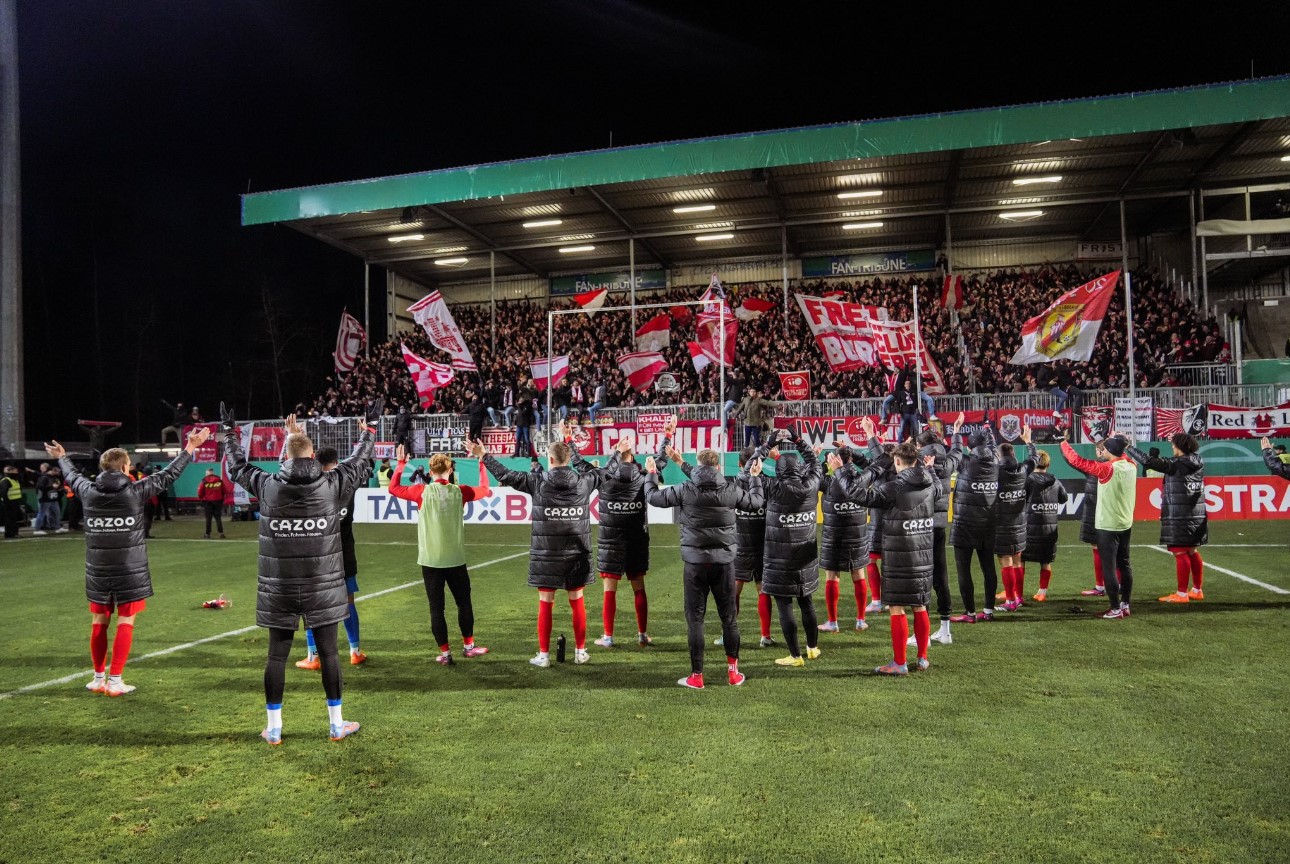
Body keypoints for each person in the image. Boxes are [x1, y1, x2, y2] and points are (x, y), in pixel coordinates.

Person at [223, 399, 377, 744]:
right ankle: (336, 724)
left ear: (285, 456)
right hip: (322, 586)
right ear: (313, 457)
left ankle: (274, 728)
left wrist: (230, 433)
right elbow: (360, 459)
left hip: (279, 589)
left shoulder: (267, 485)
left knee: (276, 656)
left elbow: (235, 466)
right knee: (330, 654)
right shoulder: (332, 484)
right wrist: (370, 428)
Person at [49, 427, 208, 697]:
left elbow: (72, 476)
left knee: (98, 621)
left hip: (98, 569)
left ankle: (98, 678)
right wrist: (190, 448)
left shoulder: (88, 491)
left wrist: (62, 457)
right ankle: (115, 681)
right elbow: (168, 475)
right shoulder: (135, 491)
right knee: (126, 620)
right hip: (129, 569)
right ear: (125, 467)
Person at [644, 445, 764, 689]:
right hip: (724, 564)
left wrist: (651, 474)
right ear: (719, 466)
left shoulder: (687, 489)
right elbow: (756, 502)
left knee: (696, 620)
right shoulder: (731, 489)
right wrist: (755, 478)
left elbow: (653, 497)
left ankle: (697, 676)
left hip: (695, 565)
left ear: (699, 466)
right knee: (729, 620)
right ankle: (733, 673)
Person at [481, 434, 599, 668]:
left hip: (546, 555)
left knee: (546, 601)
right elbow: (604, 472)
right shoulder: (584, 481)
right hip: (577, 554)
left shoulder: (537, 481)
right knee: (577, 600)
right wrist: (614, 453)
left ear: (551, 460)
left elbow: (505, 475)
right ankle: (580, 652)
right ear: (567, 459)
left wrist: (484, 455)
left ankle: (544, 655)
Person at [833, 441, 941, 675]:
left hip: (899, 556)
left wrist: (839, 471)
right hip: (923, 555)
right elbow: (940, 490)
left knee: (897, 609)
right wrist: (930, 469)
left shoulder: (894, 488)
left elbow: (855, 494)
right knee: (920, 606)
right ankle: (922, 658)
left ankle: (900, 663)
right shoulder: (930, 482)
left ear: (898, 462)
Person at [388, 443, 492, 665]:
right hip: (455, 558)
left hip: (430, 560)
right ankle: (469, 646)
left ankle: (445, 654)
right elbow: (486, 489)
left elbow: (393, 489)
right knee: (464, 603)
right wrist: (481, 462)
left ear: (430, 470)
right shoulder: (460, 491)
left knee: (437, 608)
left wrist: (400, 465)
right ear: (450, 469)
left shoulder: (421, 491)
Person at [575, 419, 667, 649]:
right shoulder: (643, 473)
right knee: (639, 586)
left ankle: (608, 636)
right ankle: (642, 635)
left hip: (610, 541)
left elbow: (578, 463)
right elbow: (662, 461)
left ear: (616, 453)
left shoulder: (603, 475)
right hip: (636, 539)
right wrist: (667, 434)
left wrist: (569, 439)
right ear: (633, 455)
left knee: (610, 590)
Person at [293, 436, 372, 668]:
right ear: (337, 462)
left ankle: (313, 656)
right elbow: (365, 462)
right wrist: (367, 434)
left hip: (317, 556)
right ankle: (355, 651)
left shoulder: (309, 484)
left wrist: (292, 439)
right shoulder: (348, 481)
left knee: (312, 606)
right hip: (344, 553)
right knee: (348, 603)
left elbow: (288, 472)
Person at [755, 426, 824, 668]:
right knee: (806, 601)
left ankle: (795, 656)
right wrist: (798, 439)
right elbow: (815, 462)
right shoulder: (812, 484)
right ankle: (813, 648)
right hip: (806, 556)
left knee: (785, 605)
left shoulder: (773, 486)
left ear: (779, 470)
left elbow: (748, 470)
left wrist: (768, 444)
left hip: (779, 559)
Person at [1059, 433, 1137, 619]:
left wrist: (1062, 442)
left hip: (1108, 525)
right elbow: (1122, 453)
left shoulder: (1107, 469)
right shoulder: (1131, 465)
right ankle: (1125, 604)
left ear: (1109, 450)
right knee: (1124, 564)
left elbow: (1076, 460)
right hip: (1125, 523)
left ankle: (1115, 609)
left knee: (1108, 567)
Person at [1129, 433, 1208, 603]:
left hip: (1179, 515)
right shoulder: (1197, 461)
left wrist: (1128, 447)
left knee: (1180, 552)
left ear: (1180, 446)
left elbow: (1148, 461)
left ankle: (1181, 594)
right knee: (1192, 551)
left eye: (1174, 445)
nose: (1172, 447)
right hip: (1196, 514)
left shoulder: (1176, 465)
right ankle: (1197, 590)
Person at [817, 445, 874, 634]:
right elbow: (873, 464)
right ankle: (860, 620)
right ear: (851, 459)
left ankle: (833, 622)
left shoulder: (828, 481)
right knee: (859, 574)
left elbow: (813, 475)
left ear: (834, 460)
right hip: (857, 534)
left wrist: (825, 464)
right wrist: (852, 455)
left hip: (834, 536)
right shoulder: (861, 478)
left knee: (832, 576)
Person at [947, 418, 1000, 623]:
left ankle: (969, 613)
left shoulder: (965, 463)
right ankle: (988, 611)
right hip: (988, 524)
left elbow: (956, 450)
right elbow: (993, 447)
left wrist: (956, 430)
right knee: (989, 568)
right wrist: (988, 431)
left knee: (964, 569)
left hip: (964, 525)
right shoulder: (995, 462)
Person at [917, 416, 964, 644]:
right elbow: (957, 451)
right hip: (940, 525)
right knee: (941, 576)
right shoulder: (948, 462)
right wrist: (956, 432)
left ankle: (922, 633)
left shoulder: (918, 461)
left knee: (922, 577)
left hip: (921, 526)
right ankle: (945, 630)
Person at [993, 428, 1038, 612]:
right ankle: (1018, 597)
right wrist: (1028, 441)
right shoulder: (1022, 469)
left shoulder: (995, 472)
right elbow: (1034, 459)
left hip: (1002, 524)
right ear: (1012, 454)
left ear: (999, 456)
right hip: (1019, 523)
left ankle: (1010, 600)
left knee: (1005, 562)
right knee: (1018, 560)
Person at [1021, 450, 1067, 601]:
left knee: (1019, 560)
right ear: (1048, 464)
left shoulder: (1027, 480)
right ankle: (1042, 593)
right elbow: (1063, 498)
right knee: (1045, 561)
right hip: (1049, 530)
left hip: (1028, 528)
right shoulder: (1056, 481)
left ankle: (1016, 593)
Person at [35, 465, 66, 534]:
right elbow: (39, 487)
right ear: (51, 470)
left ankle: (57, 527)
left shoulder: (53, 477)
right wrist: (51, 487)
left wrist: (60, 489)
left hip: (53, 498)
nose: (57, 472)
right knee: (41, 514)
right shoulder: (44, 477)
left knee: (57, 513)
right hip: (45, 499)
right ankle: (37, 529)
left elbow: (56, 486)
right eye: (55, 471)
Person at [197, 467, 227, 539]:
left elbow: (200, 492)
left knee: (208, 518)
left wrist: (202, 499)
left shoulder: (204, 481)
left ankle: (207, 534)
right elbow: (224, 490)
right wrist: (221, 498)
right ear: (213, 473)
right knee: (218, 518)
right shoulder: (219, 480)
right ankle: (221, 533)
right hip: (218, 501)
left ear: (207, 473)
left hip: (208, 502)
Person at [1, 464, 23, 538]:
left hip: (15, 502)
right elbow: (3, 492)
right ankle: (11, 533)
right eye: (15, 471)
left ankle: (11, 534)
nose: (16, 472)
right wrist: (7, 503)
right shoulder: (6, 480)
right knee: (10, 519)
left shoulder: (14, 480)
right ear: (10, 471)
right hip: (10, 503)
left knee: (12, 518)